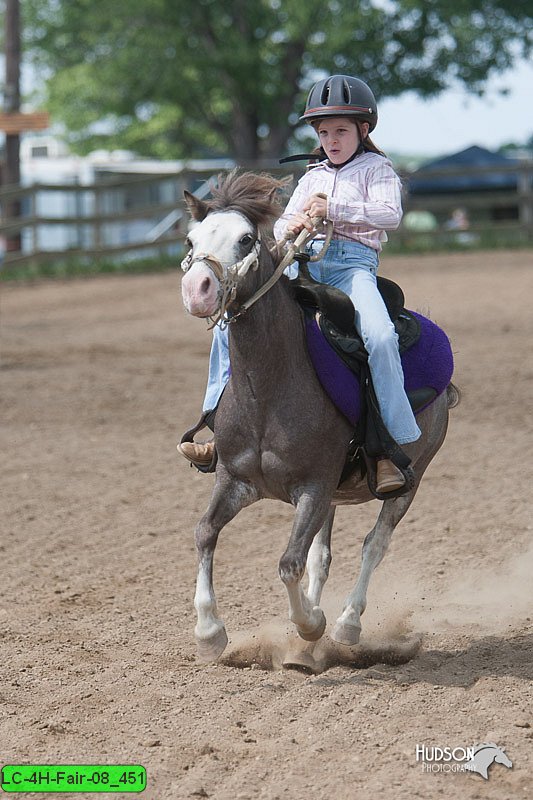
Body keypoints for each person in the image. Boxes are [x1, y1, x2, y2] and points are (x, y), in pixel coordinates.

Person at [179, 74, 421, 492]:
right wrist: (295, 226)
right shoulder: (312, 175)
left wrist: (333, 208)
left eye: (341, 130)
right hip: (302, 268)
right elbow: (283, 226)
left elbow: (389, 215)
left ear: (363, 130)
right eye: (324, 131)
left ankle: (389, 448)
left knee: (379, 336)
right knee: (228, 323)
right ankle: (217, 429)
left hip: (352, 268)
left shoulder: (377, 169)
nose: (331, 139)